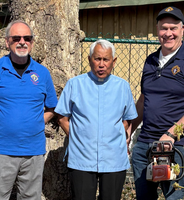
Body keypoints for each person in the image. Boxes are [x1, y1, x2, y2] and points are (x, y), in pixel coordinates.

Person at [129, 6, 184, 200]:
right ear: (157, 30)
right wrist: (129, 129)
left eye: (173, 28)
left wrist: (171, 134)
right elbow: (143, 99)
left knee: (174, 197)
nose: (168, 33)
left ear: (182, 29)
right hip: (144, 144)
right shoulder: (150, 61)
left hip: (175, 147)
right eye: (163, 28)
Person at [0, 20, 57, 200]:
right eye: (16, 38)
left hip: (33, 153)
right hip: (0, 151)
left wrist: (36, 122)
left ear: (32, 43)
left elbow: (52, 107)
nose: (22, 41)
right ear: (7, 42)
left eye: (27, 38)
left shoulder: (42, 73)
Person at [55, 39, 138, 200]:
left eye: (106, 59)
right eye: (97, 59)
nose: (101, 64)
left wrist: (119, 136)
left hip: (113, 158)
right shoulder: (75, 84)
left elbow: (128, 119)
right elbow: (62, 118)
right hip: (82, 158)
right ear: (89, 60)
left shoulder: (122, 86)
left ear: (113, 61)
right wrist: (77, 136)